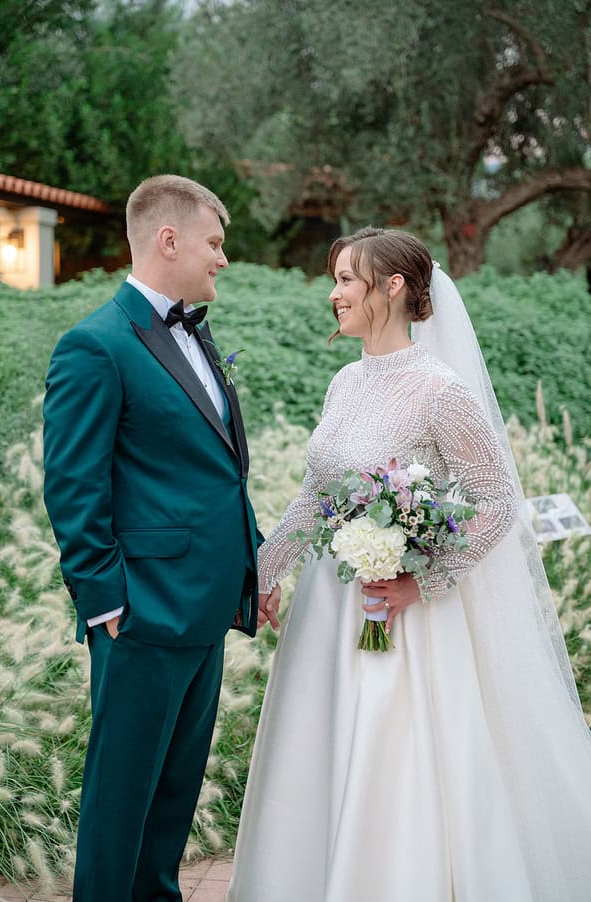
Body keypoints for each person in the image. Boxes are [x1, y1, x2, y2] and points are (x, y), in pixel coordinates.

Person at [227, 228, 591, 902]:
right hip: (329, 612)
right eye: (334, 279)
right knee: (322, 747)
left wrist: (420, 581)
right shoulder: (345, 382)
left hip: (403, 617)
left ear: (392, 286)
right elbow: (317, 492)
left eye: (346, 279)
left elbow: (497, 501)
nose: (334, 294)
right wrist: (264, 568)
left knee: (393, 756)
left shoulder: (440, 390)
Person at [43, 174, 280, 902]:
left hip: (204, 610)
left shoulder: (194, 335)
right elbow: (74, 485)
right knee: (122, 805)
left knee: (172, 801)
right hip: (142, 614)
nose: (223, 258)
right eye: (215, 241)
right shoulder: (95, 345)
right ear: (167, 239)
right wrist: (105, 602)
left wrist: (255, 569)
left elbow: (218, 476)